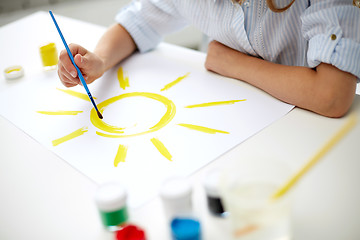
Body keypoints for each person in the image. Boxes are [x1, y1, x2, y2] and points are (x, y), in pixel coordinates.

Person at [57, 0, 360, 118]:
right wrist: (100, 59)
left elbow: (331, 95)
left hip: (305, 122)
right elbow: (139, 23)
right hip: (236, 117)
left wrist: (232, 63)